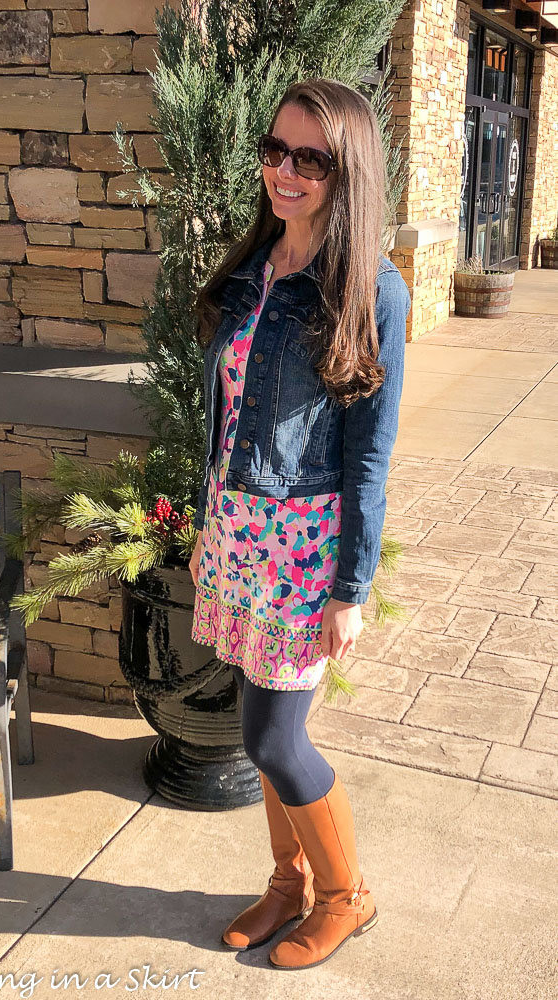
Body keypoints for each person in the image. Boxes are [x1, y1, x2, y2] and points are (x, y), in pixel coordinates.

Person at [188, 78, 411, 971]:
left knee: (272, 738)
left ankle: (347, 896)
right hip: (237, 533)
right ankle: (290, 884)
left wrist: (350, 589)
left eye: (309, 159)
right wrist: (206, 522)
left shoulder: (372, 291)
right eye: (274, 151)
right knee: (260, 727)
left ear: (346, 172)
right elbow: (227, 416)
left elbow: (368, 456)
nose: (285, 171)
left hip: (302, 551)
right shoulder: (254, 267)